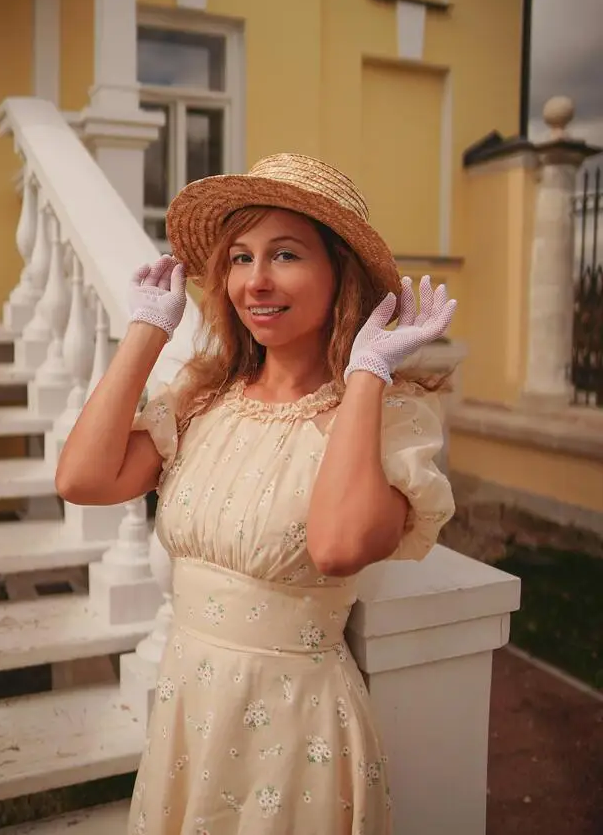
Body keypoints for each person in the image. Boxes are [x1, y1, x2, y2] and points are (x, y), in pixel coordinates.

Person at [55, 152, 457, 834]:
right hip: (190, 712)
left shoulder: (389, 422)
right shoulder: (202, 400)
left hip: (298, 737)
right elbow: (82, 479)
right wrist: (148, 331)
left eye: (286, 255)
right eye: (240, 259)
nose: (255, 282)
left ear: (341, 275)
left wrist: (366, 375)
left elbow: (336, 547)